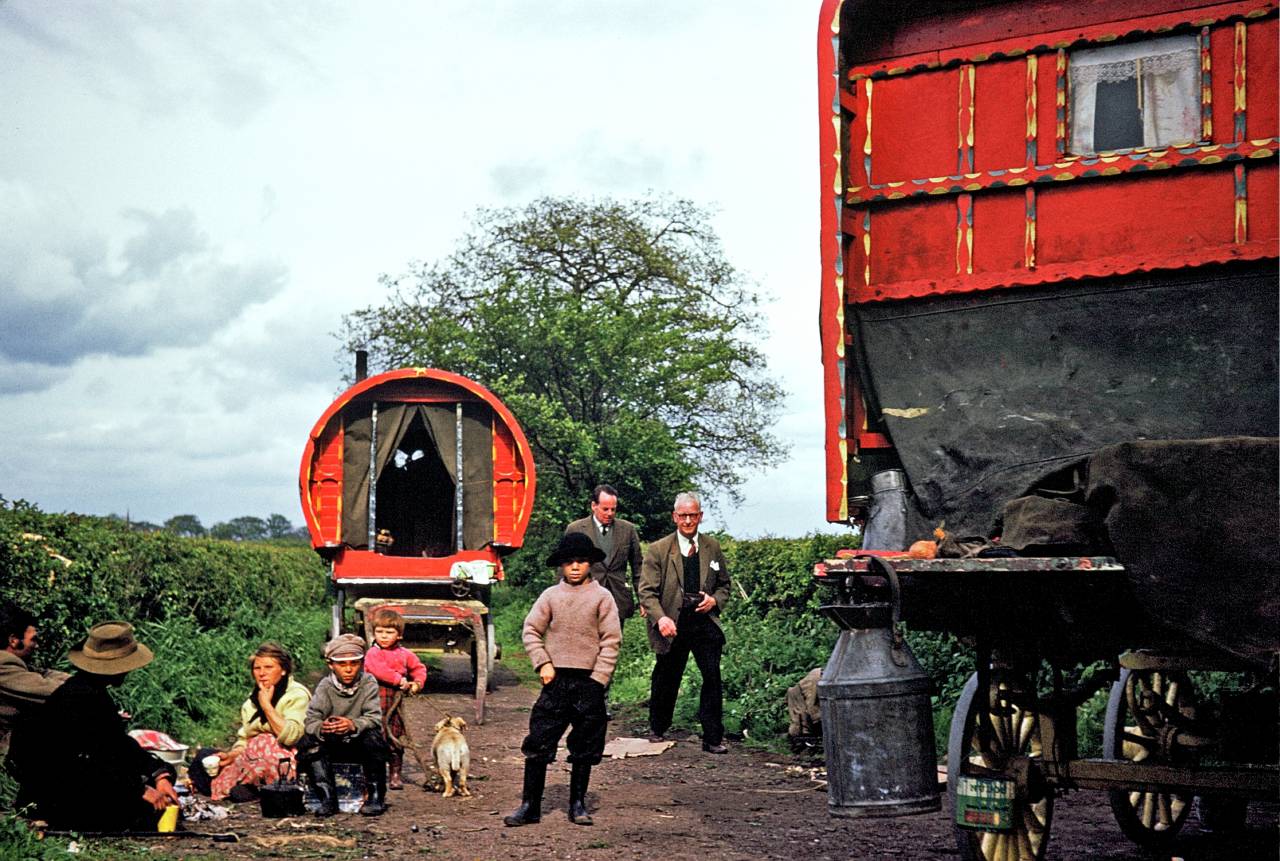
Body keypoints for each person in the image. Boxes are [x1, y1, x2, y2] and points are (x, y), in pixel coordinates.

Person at [11, 621, 180, 831]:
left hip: (71, 784)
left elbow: (118, 746)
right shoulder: (80, 698)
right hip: (55, 795)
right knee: (141, 813)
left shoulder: (93, 694)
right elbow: (89, 763)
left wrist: (160, 774)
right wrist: (139, 790)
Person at [504, 532, 621, 828]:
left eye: (581, 561)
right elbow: (531, 631)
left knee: (585, 743)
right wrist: (543, 663)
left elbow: (611, 640)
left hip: (589, 682)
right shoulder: (550, 596)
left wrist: (599, 679)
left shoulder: (602, 598)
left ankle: (577, 805)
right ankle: (529, 805)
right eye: (569, 562)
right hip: (555, 680)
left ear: (590, 564)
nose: (575, 567)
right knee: (539, 740)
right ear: (561, 566)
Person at [638, 491, 732, 754]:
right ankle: (657, 728)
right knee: (667, 676)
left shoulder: (712, 546)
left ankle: (713, 738)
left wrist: (714, 601)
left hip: (703, 622)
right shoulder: (658, 549)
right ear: (674, 517)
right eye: (683, 516)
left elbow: (725, 585)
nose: (688, 521)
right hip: (673, 622)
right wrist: (661, 618)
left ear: (700, 516)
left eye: (693, 515)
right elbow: (646, 592)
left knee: (712, 677)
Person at [188, 643, 310, 801]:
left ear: (284, 670)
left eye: (268, 667)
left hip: (287, 760)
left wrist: (267, 706)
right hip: (252, 758)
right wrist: (232, 755)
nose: (262, 673)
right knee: (204, 757)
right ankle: (251, 787)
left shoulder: (296, 695)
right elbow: (245, 739)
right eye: (257, 668)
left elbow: (290, 737)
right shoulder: (252, 701)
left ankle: (257, 787)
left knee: (266, 741)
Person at [296, 634, 389, 817]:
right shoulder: (325, 686)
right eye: (342, 664)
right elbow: (311, 720)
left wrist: (353, 725)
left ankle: (376, 796)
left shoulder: (368, 683)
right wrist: (323, 728)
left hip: (358, 742)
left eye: (354, 664)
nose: (348, 670)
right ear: (331, 665)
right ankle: (327, 798)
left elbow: (374, 717)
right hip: (331, 743)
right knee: (309, 742)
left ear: (361, 664)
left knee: (374, 738)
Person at [363, 607, 426, 790]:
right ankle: (374, 773)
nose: (383, 636)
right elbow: (378, 670)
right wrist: (399, 680)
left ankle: (395, 774)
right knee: (375, 735)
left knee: (395, 736)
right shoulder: (373, 653)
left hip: (395, 700)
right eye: (379, 632)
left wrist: (417, 683)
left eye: (389, 632)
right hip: (374, 699)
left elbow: (418, 668)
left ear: (399, 635)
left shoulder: (404, 654)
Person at [564, 484, 643, 621]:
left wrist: (643, 599)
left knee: (613, 641)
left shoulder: (628, 530)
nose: (610, 513)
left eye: (613, 509)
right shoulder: (575, 529)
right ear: (594, 506)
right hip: (583, 600)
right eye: (605, 509)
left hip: (617, 600)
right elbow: (564, 566)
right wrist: (561, 600)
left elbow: (638, 568)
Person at [0, 603, 68, 761]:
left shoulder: (11, 663)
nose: (36, 646)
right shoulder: (3, 665)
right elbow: (53, 692)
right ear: (14, 640)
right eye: (33, 640)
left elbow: (42, 673)